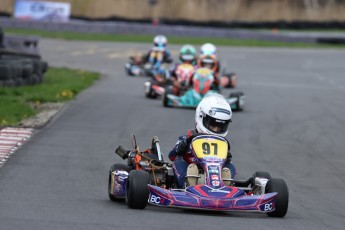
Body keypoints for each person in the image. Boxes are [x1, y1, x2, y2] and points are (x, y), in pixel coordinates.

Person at [168, 93, 236, 188]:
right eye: (212, 125)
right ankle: (187, 184)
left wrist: (227, 157)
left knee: (230, 166)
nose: (216, 130)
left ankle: (225, 185)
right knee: (179, 162)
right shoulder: (186, 138)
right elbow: (171, 156)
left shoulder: (222, 143)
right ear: (200, 117)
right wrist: (182, 146)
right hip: (190, 167)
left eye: (220, 127)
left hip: (215, 171)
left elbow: (227, 160)